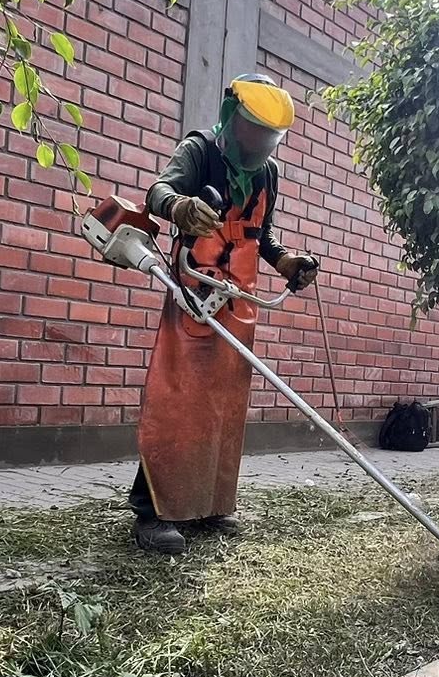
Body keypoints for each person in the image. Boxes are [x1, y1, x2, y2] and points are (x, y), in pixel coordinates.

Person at [129, 73, 321, 555]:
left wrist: (287, 262)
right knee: (179, 401)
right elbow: (156, 192)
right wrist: (180, 206)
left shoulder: (266, 173)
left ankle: (212, 504)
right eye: (253, 132)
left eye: (269, 138)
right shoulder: (200, 150)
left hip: (240, 302)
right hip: (194, 292)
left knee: (224, 405)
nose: (260, 145)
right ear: (233, 119)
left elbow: (262, 236)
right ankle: (151, 512)